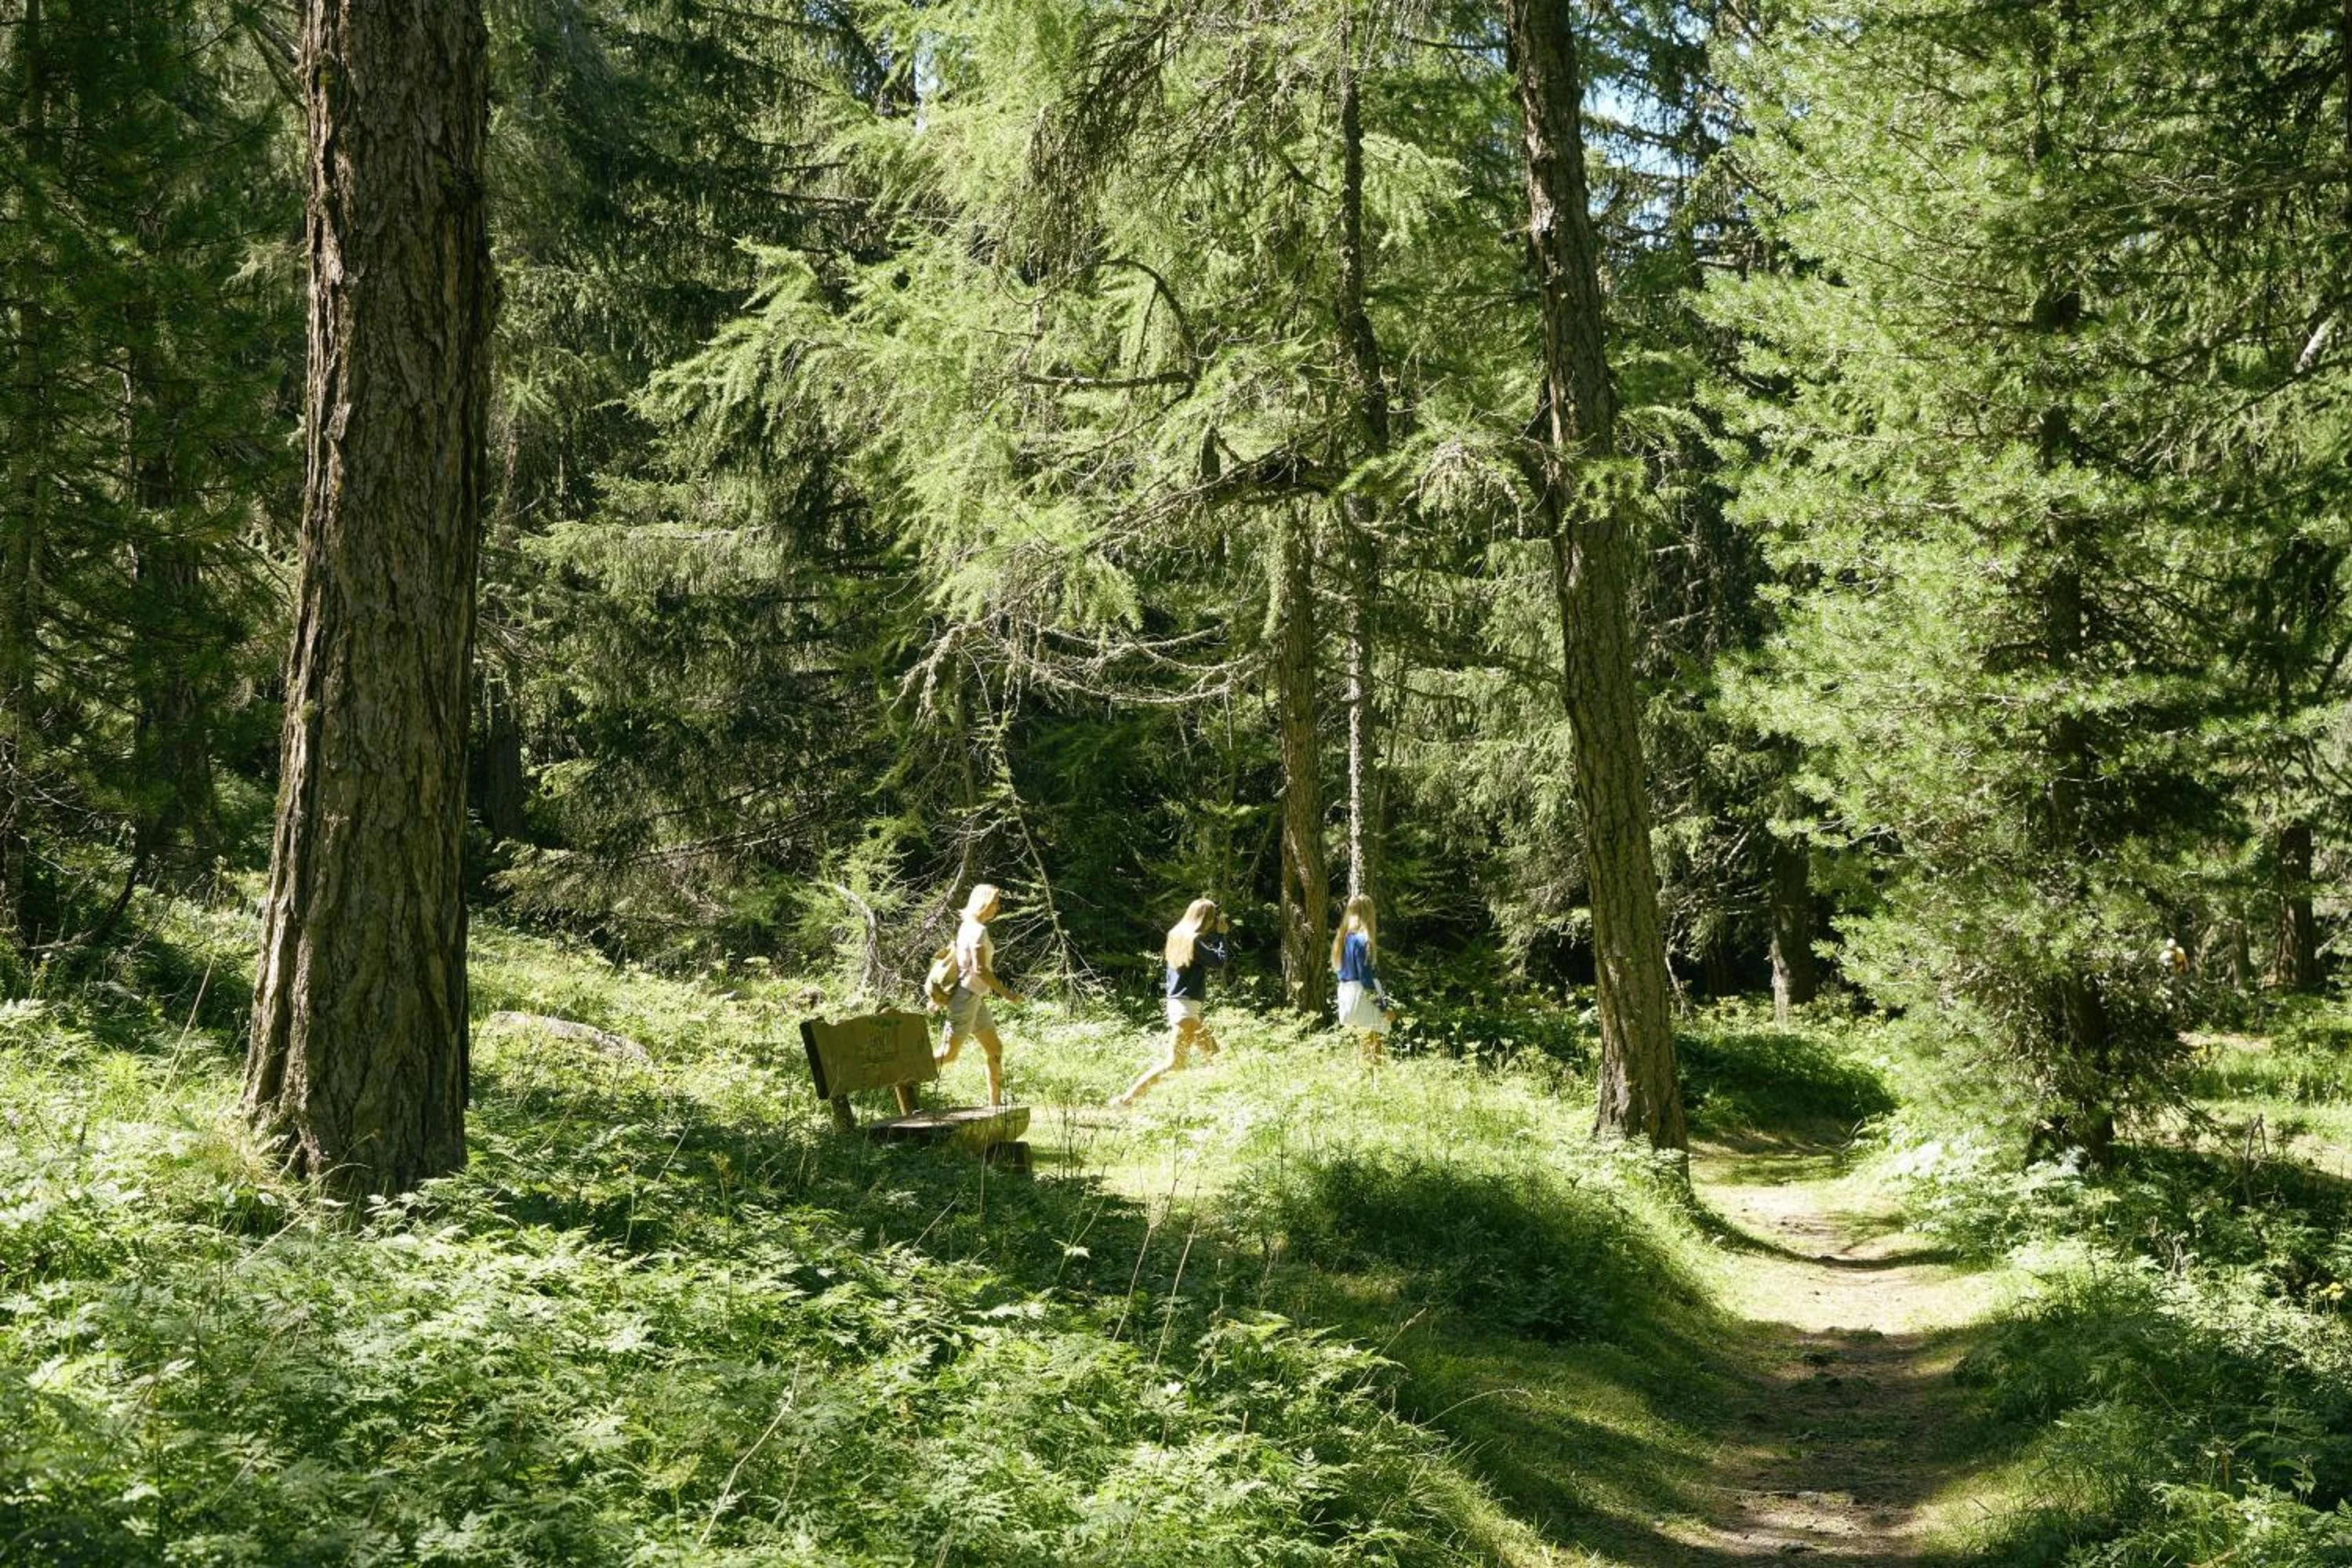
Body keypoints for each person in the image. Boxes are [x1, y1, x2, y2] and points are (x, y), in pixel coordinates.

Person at [1112, 898, 1229, 1107]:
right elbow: (1218, 962)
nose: (1213, 923)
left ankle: (1210, 1104)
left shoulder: (1176, 936)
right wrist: (1221, 936)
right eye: (1212, 919)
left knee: (1215, 1059)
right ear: (1206, 918)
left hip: (1181, 1005)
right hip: (1186, 1009)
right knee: (1176, 1063)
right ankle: (1127, 1099)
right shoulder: (1194, 940)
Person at [936, 883, 1020, 1105]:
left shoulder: (968, 925)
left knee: (995, 1049)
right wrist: (1007, 993)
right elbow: (980, 969)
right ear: (982, 903)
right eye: (994, 903)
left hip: (974, 998)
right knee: (948, 1055)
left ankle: (995, 1106)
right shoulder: (978, 930)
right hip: (965, 999)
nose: (997, 907)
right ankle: (904, 1073)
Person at [1330, 894, 1392, 1069]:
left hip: (1346, 995)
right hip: (1362, 998)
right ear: (1369, 914)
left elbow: (1340, 971)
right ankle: (1373, 1090)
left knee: (1359, 1048)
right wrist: (1383, 1008)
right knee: (1374, 1051)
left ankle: (1360, 1087)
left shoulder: (1341, 940)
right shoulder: (1363, 941)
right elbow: (1366, 980)